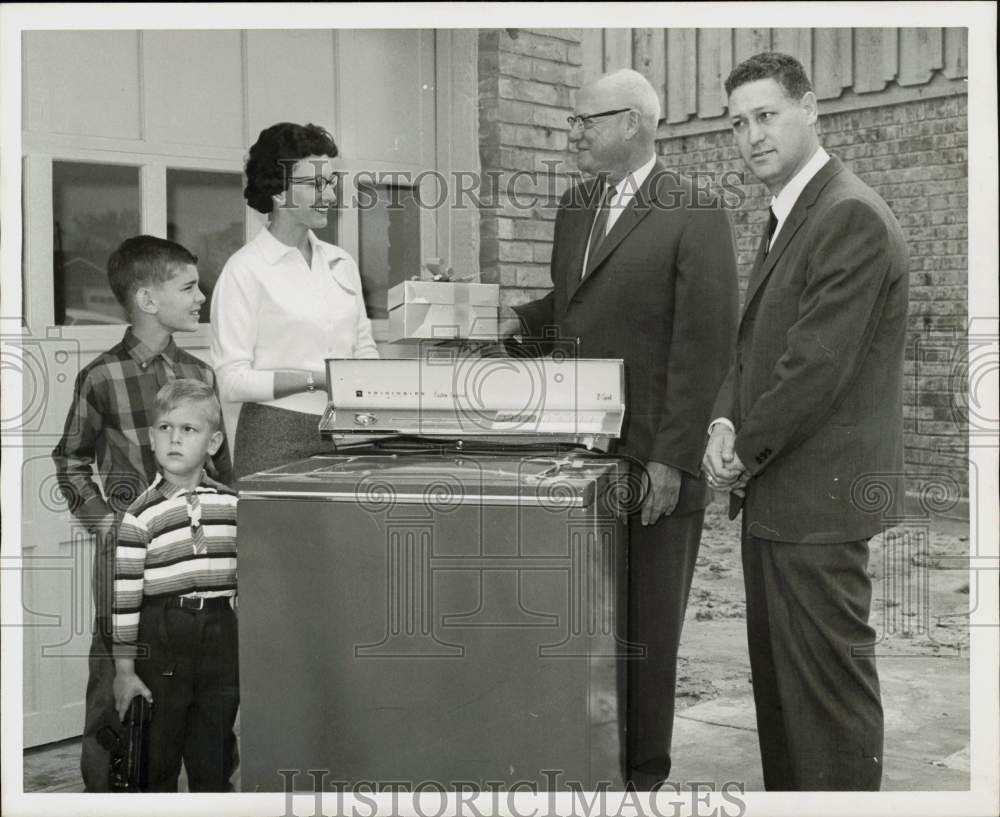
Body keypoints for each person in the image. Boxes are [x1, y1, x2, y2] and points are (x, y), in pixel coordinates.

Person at [510, 69, 739, 788]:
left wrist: (673, 460)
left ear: (634, 123)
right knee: (584, 623)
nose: (573, 133)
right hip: (576, 458)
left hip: (651, 462)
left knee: (644, 632)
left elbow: (705, 346)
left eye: (586, 121)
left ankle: (641, 776)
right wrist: (510, 327)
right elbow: (576, 305)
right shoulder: (576, 205)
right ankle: (589, 763)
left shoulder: (693, 210)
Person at [702, 52, 909, 791]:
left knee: (826, 712)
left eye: (766, 115)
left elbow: (813, 370)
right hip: (781, 506)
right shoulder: (793, 211)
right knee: (789, 711)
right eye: (738, 123)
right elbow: (757, 343)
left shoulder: (845, 212)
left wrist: (739, 448)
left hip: (817, 512)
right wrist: (722, 423)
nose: (751, 135)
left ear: (811, 106)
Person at [51, 235, 234, 792]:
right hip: (128, 564)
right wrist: (109, 525)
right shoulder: (102, 376)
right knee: (117, 686)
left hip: (196, 570)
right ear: (148, 299)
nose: (201, 296)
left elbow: (221, 468)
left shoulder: (201, 374)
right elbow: (71, 460)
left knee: (206, 698)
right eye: (189, 287)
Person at [211, 122, 379, 479]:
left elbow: (365, 351)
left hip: (349, 433)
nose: (330, 196)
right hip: (275, 436)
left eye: (331, 183)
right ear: (278, 191)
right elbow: (232, 380)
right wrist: (316, 380)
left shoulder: (342, 264)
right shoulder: (244, 271)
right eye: (315, 185)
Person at [111, 379, 239, 792]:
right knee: (158, 751)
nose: (175, 439)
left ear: (214, 441)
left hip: (221, 632)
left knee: (214, 747)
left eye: (189, 429)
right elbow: (125, 599)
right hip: (163, 632)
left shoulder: (233, 506)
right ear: (151, 438)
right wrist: (125, 670)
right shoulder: (140, 516)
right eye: (165, 428)